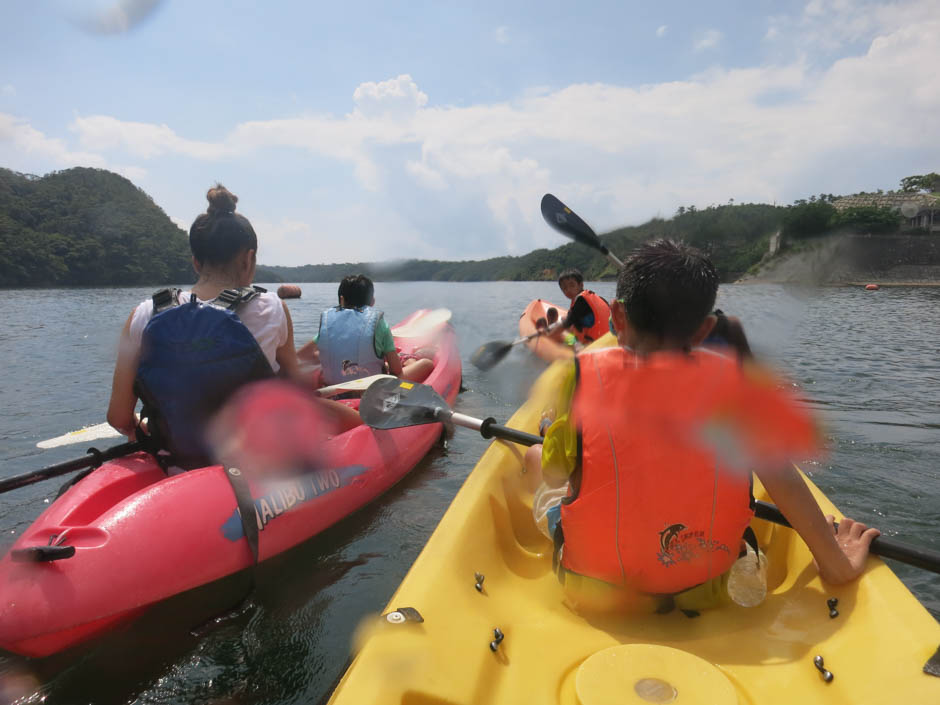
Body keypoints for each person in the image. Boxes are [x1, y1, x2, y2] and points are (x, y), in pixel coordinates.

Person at [525, 239, 879, 614]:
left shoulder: (577, 379)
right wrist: (837, 564)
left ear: (617, 316)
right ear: (705, 329)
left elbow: (555, 472)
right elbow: (783, 479)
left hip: (599, 593)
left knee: (535, 457)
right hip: (710, 588)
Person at [107, 184, 359, 469]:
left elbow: (118, 418)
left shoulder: (144, 314)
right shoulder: (272, 308)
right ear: (248, 259)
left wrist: (147, 426)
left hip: (177, 467)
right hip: (257, 468)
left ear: (195, 263)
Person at [304, 274, 433, 387]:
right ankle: (408, 360)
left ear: (341, 299)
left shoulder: (328, 324)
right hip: (371, 390)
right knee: (426, 364)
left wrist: (324, 356)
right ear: (372, 302)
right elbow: (396, 371)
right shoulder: (379, 324)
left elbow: (303, 355)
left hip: (332, 389)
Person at [556, 268, 611, 347]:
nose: (568, 290)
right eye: (564, 288)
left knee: (562, 332)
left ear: (581, 285)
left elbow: (565, 325)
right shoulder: (598, 298)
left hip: (593, 346)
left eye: (572, 285)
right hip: (608, 341)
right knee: (565, 320)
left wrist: (547, 335)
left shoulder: (581, 301)